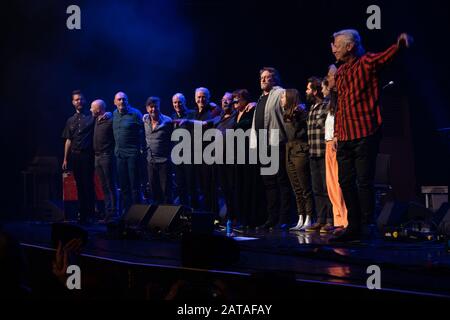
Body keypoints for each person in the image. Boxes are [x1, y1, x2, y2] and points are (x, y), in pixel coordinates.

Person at [330, 29, 412, 242]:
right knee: (345, 181)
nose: (334, 49)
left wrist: (400, 45)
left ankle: (367, 226)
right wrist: (337, 133)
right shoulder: (340, 73)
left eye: (337, 45)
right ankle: (353, 226)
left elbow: (387, 56)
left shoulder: (366, 61)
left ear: (350, 46)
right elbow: (340, 106)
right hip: (345, 135)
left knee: (363, 182)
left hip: (365, 132)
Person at [250, 67, 291, 230]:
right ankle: (272, 218)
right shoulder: (260, 98)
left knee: (282, 182)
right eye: (262, 77)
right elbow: (256, 123)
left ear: (274, 79)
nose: (263, 80)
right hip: (263, 144)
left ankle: (284, 218)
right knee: (269, 184)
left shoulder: (280, 93)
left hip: (276, 141)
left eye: (267, 77)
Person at [280, 89, 314, 232]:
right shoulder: (285, 114)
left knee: (305, 186)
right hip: (289, 150)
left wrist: (298, 113)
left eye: (283, 97)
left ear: (290, 98)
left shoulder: (300, 113)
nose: (281, 99)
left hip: (300, 150)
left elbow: (302, 129)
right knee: (296, 188)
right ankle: (301, 216)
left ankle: (310, 218)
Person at [304, 77, 334, 233]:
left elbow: (327, 127)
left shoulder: (325, 106)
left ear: (315, 91)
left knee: (326, 188)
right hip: (312, 153)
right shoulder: (312, 108)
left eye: (308, 89)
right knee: (316, 188)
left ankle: (330, 220)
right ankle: (320, 219)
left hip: (324, 152)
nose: (306, 91)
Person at [62, 90, 95, 224]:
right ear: (73, 102)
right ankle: (82, 214)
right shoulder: (70, 120)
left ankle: (91, 214)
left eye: (81, 99)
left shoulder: (92, 116)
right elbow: (68, 140)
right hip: (75, 156)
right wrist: (65, 158)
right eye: (76, 100)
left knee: (88, 185)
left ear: (85, 101)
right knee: (79, 186)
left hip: (87, 155)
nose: (79, 101)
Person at [321, 66, 348, 233]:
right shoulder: (330, 104)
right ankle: (338, 219)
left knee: (339, 185)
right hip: (328, 143)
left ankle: (345, 221)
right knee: (331, 185)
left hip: (337, 143)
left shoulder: (340, 100)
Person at [232, 89, 263, 229]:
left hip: (248, 152)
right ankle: (241, 218)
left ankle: (251, 219)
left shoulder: (251, 110)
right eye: (234, 100)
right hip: (238, 154)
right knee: (239, 186)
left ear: (245, 100)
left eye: (237, 100)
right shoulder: (235, 114)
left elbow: (251, 123)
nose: (234, 103)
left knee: (249, 185)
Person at [112, 91, 145, 215]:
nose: (122, 101)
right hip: (120, 155)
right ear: (114, 102)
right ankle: (128, 213)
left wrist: (141, 149)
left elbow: (144, 131)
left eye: (124, 99)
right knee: (124, 186)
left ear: (127, 100)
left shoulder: (135, 114)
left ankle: (138, 213)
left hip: (133, 154)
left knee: (134, 186)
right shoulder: (113, 115)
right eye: (119, 99)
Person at [90, 99, 118, 222]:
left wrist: (110, 113)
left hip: (107, 156)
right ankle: (108, 212)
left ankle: (113, 212)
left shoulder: (110, 120)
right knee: (103, 186)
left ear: (99, 109)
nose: (90, 110)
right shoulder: (95, 120)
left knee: (110, 185)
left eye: (92, 108)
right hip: (97, 157)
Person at [143, 96, 173, 204]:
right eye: (151, 107)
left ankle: (168, 216)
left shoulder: (167, 121)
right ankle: (156, 217)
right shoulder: (145, 119)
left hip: (164, 161)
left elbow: (173, 140)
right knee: (154, 191)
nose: (153, 109)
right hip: (150, 161)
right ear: (147, 108)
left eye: (156, 107)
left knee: (166, 191)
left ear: (159, 107)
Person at [171, 93, 199, 208]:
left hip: (190, 156)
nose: (177, 104)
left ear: (185, 102)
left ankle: (195, 212)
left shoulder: (192, 114)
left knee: (192, 186)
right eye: (175, 102)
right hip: (178, 157)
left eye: (179, 102)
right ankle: (183, 213)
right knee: (180, 186)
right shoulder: (173, 116)